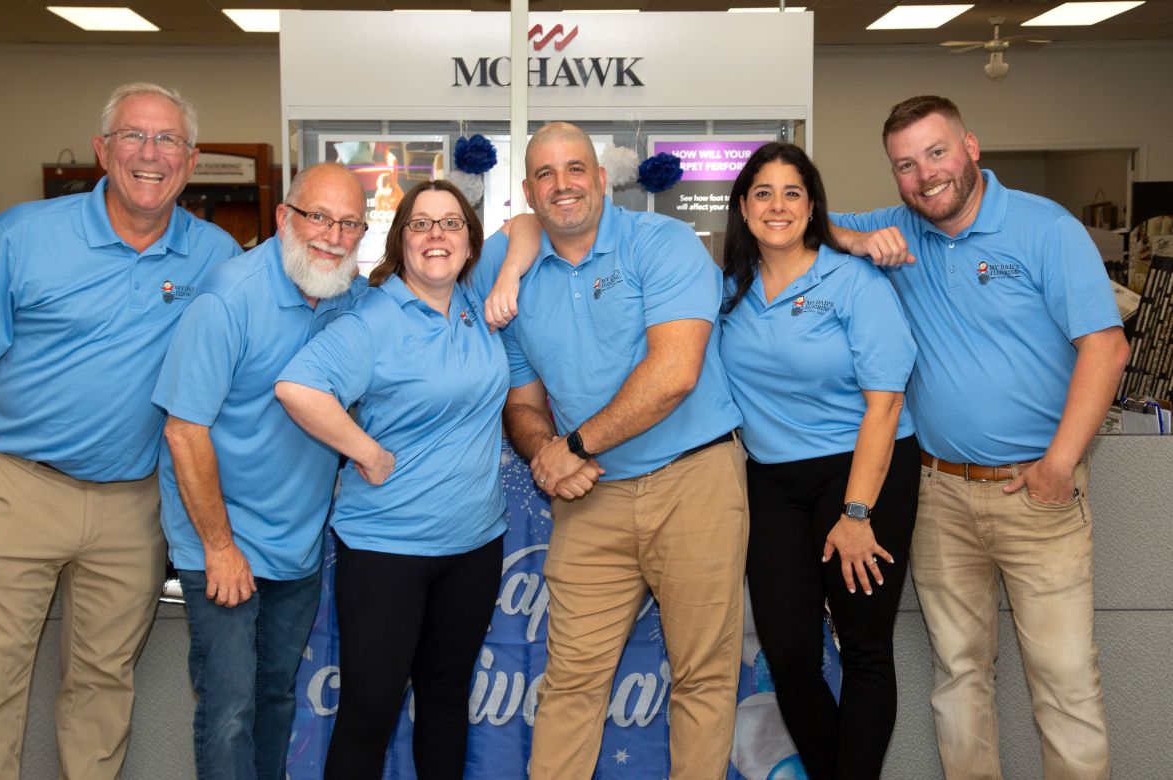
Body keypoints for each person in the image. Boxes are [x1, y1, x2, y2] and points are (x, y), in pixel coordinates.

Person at [0, 83, 240, 778]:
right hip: (17, 489)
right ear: (103, 150)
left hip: (134, 504)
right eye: (134, 136)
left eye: (168, 141)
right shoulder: (21, 235)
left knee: (103, 687)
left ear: (191, 161)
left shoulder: (215, 254)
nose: (150, 154)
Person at [832, 95, 1129, 778]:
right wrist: (855, 240)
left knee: (1065, 683)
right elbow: (793, 225)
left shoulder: (1044, 229)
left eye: (936, 153)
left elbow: (1105, 349)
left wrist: (1060, 463)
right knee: (959, 677)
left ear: (971, 148)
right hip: (940, 495)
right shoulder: (898, 230)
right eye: (905, 165)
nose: (924, 175)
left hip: (1040, 498)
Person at [475, 121, 748, 779]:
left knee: (703, 678)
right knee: (571, 679)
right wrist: (545, 451)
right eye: (545, 174)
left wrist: (570, 445)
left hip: (695, 482)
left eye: (576, 169)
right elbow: (522, 401)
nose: (562, 185)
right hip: (592, 496)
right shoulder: (513, 273)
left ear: (602, 178)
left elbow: (675, 372)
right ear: (528, 192)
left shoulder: (665, 243)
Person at [275, 179, 508, 779]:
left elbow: (529, 227)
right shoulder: (375, 319)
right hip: (387, 553)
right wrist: (368, 452)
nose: (437, 234)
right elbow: (297, 387)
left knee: (446, 702)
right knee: (369, 713)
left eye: (451, 223)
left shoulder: (474, 301)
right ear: (400, 240)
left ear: (470, 241)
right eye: (421, 223)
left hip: (475, 547)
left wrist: (506, 279)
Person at [152, 162, 368, 779]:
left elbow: (441, 276)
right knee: (229, 709)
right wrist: (219, 548)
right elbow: (183, 429)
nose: (332, 234)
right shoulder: (228, 298)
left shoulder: (347, 295)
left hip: (294, 548)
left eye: (349, 223)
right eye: (318, 216)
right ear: (283, 217)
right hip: (222, 542)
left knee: (275, 697)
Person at [719, 143, 919, 780]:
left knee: (863, 650)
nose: (777, 206)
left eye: (792, 193)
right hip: (772, 480)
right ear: (743, 208)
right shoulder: (728, 288)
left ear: (812, 207)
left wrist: (856, 513)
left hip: (863, 470)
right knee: (789, 655)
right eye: (763, 194)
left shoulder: (854, 280)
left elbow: (884, 406)